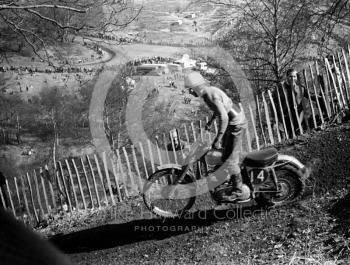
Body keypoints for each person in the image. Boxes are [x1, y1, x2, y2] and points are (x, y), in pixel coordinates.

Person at [184, 72, 248, 202]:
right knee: (225, 155)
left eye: (190, 89)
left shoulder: (208, 95)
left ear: (194, 87)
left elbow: (224, 117)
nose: (190, 93)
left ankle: (238, 190)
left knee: (230, 159)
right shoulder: (209, 91)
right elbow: (220, 109)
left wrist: (218, 138)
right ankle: (229, 180)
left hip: (236, 124)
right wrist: (211, 121)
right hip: (235, 121)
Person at [275, 68, 310, 137]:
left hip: (298, 116)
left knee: (300, 136)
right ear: (287, 77)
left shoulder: (301, 88)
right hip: (285, 117)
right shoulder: (280, 88)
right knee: (288, 138)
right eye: (290, 76)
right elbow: (275, 102)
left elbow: (309, 96)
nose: (292, 78)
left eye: (294, 76)